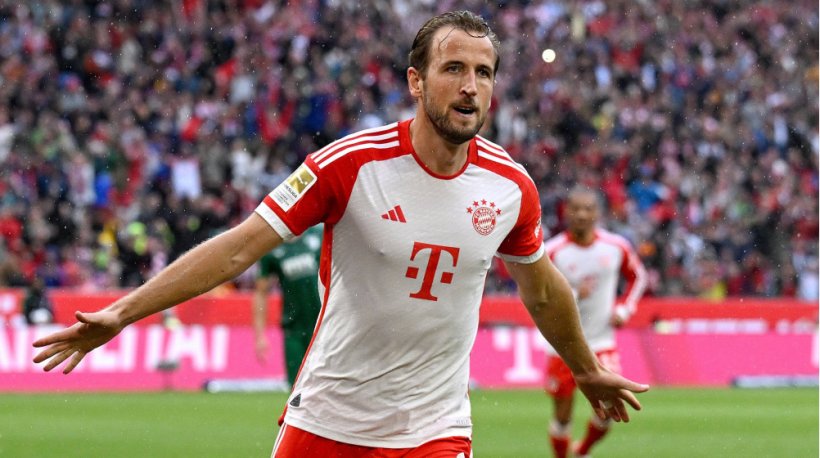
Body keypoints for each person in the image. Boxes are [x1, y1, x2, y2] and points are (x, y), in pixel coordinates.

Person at [32, 11, 648, 457]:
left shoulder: (511, 187)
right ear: (415, 81)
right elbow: (240, 248)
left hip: (435, 429)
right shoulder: (349, 164)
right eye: (454, 68)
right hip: (329, 417)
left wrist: (586, 368)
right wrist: (123, 313)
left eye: (483, 72)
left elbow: (542, 289)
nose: (470, 86)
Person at [543, 185, 649, 458]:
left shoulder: (615, 247)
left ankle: (582, 451)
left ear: (597, 213)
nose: (581, 214)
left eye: (588, 209)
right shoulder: (552, 251)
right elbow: (541, 294)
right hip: (562, 346)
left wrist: (625, 309)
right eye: (576, 209)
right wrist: (574, 293)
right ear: (566, 212)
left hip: (602, 342)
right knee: (563, 416)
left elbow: (638, 277)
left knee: (610, 410)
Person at [253, 223, 323, 387]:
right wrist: (260, 336)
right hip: (294, 328)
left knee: (326, 384)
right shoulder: (272, 249)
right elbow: (261, 293)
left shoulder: (319, 234)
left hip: (323, 325)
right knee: (297, 387)